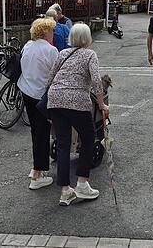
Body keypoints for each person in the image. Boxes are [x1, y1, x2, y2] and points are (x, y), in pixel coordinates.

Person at [47, 23, 109, 206]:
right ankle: (82, 182)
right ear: (87, 38)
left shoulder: (63, 53)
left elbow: (50, 77)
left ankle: (65, 190)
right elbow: (97, 81)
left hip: (56, 98)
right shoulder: (90, 54)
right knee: (89, 138)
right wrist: (102, 103)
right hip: (77, 101)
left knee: (64, 144)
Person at [18, 18, 59, 190]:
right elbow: (57, 74)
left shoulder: (27, 45)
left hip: (26, 90)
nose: (53, 33)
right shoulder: (51, 50)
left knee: (36, 130)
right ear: (45, 32)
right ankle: (37, 174)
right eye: (51, 30)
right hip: (41, 95)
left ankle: (36, 166)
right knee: (42, 133)